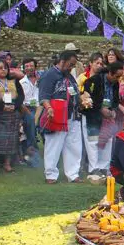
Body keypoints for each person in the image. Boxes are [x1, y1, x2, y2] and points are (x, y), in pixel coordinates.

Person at [39, 50, 86, 184]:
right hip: (56, 115)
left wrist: (82, 101)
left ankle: (73, 174)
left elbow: (75, 92)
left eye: (73, 65)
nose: (71, 68)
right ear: (62, 61)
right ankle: (51, 174)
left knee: (74, 145)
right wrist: (49, 108)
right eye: (70, 64)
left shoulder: (69, 76)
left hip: (73, 114)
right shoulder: (49, 75)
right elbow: (43, 96)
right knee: (54, 144)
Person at [82, 61, 122, 178]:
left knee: (108, 141)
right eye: (116, 76)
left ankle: (104, 168)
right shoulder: (94, 80)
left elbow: (115, 100)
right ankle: (94, 168)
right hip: (93, 116)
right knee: (93, 142)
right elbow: (88, 98)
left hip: (108, 117)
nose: (118, 79)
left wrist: (113, 110)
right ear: (110, 73)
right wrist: (100, 109)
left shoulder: (115, 83)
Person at [0, 59, 24, 174]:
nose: (3, 70)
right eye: (0, 68)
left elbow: (21, 97)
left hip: (13, 113)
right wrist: (2, 107)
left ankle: (7, 163)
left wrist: (14, 106)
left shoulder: (14, 81)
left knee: (11, 139)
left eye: (5, 67)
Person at [20, 57, 40, 155]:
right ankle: (31, 148)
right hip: (27, 108)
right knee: (31, 120)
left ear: (35, 67)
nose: (29, 68)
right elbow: (21, 102)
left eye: (31, 66)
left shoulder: (41, 80)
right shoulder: (21, 82)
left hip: (41, 108)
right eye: (26, 66)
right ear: (23, 68)